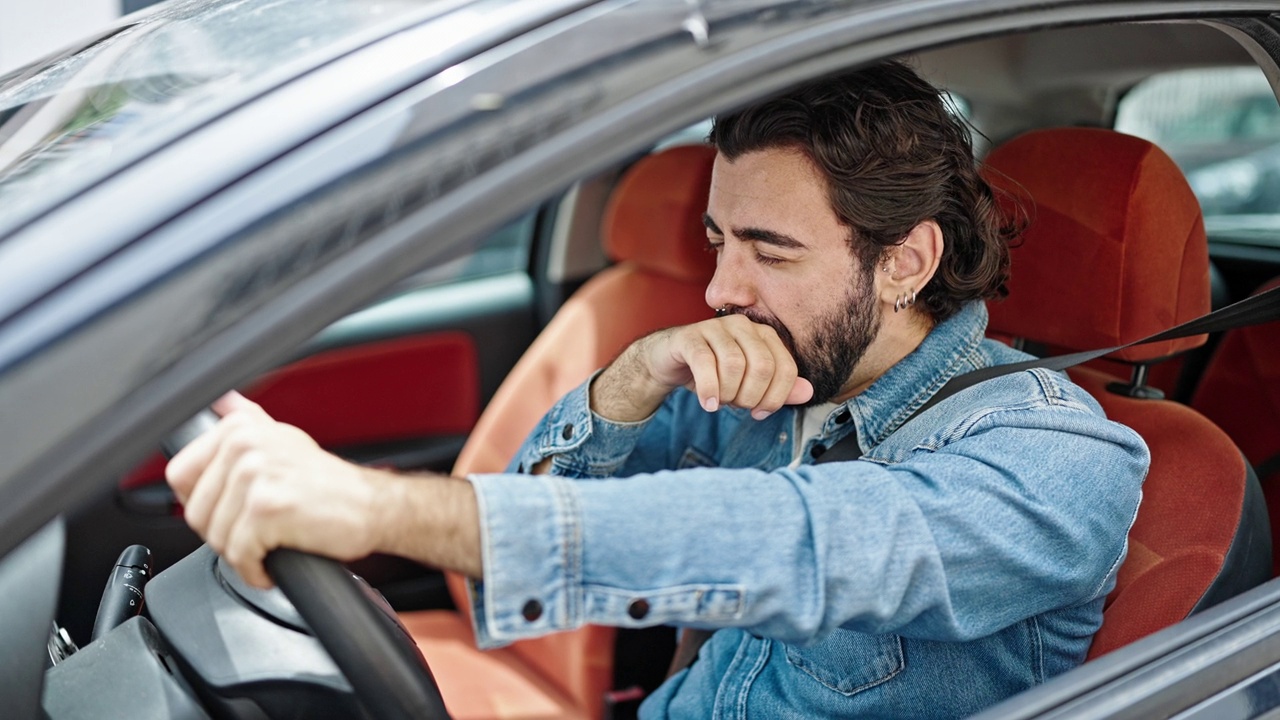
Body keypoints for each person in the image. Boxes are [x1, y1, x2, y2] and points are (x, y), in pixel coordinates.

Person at [166, 60, 1148, 718]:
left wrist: (369, 503)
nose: (722, 289)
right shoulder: (764, 375)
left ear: (903, 263)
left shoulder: (1057, 460)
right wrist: (632, 381)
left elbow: (794, 541)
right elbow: (512, 554)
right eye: (719, 240)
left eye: (770, 249)